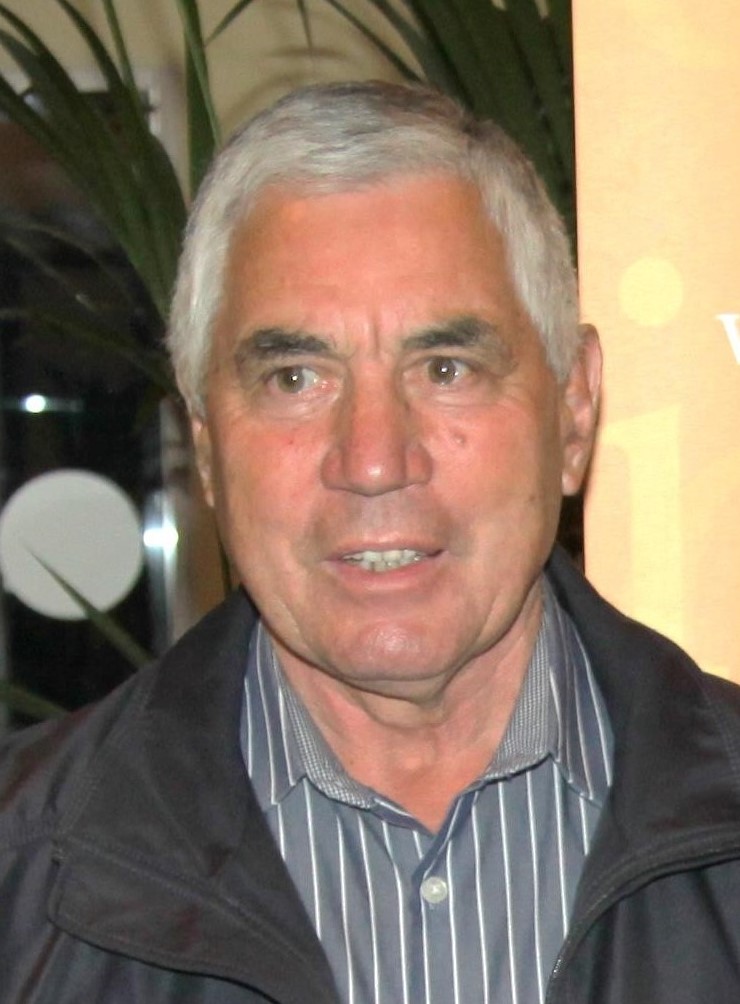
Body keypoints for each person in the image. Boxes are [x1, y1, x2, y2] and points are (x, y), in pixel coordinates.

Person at [1, 80, 740, 1004]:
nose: (376, 460)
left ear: (575, 410)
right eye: (295, 378)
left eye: (446, 368)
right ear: (207, 445)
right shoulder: (22, 886)